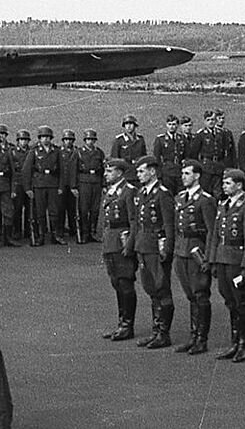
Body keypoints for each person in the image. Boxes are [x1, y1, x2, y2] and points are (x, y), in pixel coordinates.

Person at [208, 168, 245, 361]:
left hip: (237, 260)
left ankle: (244, 345)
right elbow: (215, 235)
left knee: (241, 302)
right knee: (229, 300)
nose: (224, 186)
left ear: (239, 185)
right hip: (222, 258)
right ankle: (234, 342)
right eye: (224, 183)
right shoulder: (223, 205)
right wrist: (213, 259)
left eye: (228, 183)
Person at [170, 159, 216, 354]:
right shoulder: (180, 197)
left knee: (200, 294)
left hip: (197, 250)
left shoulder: (205, 200)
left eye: (187, 173)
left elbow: (212, 232)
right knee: (190, 295)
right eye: (182, 173)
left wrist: (209, 258)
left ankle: (201, 339)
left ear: (197, 176)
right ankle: (193, 335)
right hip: (181, 250)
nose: (183, 177)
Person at [130, 156, 176, 349]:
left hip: (156, 246)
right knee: (151, 288)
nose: (138, 175)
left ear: (152, 172)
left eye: (142, 171)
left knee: (161, 287)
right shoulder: (141, 193)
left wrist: (167, 249)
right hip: (143, 245)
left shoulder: (162, 194)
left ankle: (164, 333)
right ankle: (156, 330)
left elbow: (169, 225)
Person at [99, 158, 139, 340]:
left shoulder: (129, 192)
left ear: (120, 173)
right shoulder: (111, 191)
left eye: (110, 171)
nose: (106, 174)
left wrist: (130, 245)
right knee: (116, 283)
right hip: (110, 241)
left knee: (125, 283)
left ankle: (127, 325)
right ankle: (121, 322)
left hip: (121, 241)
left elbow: (133, 220)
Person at [22, 126, 70, 246]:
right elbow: (26, 170)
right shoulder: (34, 151)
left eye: (48, 137)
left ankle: (55, 235)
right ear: (39, 138)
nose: (46, 139)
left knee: (54, 211)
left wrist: (60, 186)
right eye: (43, 137)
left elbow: (61, 171)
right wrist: (27, 188)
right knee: (40, 212)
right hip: (39, 185)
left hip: (53, 184)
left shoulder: (56, 151)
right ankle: (40, 236)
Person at [75, 129, 107, 243]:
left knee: (95, 209)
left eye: (92, 140)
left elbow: (104, 170)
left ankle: (93, 232)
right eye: (88, 139)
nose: (90, 142)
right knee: (84, 209)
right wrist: (74, 186)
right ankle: (85, 233)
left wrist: (104, 184)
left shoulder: (99, 152)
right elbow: (74, 170)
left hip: (96, 182)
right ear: (85, 140)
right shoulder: (78, 152)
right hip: (84, 182)